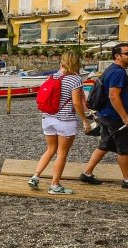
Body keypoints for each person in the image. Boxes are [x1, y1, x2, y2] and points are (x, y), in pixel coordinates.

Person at [78, 43, 128, 191]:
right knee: (124, 148)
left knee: (104, 145)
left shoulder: (114, 71)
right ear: (117, 56)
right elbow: (113, 96)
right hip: (114, 117)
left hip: (105, 114)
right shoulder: (118, 72)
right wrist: (125, 117)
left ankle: (87, 173)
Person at [28, 52, 91, 195]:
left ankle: (35, 177)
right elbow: (76, 102)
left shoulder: (53, 76)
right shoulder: (75, 79)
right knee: (61, 154)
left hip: (48, 118)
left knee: (50, 149)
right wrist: (84, 120)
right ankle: (55, 185)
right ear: (76, 63)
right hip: (65, 120)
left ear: (62, 62)